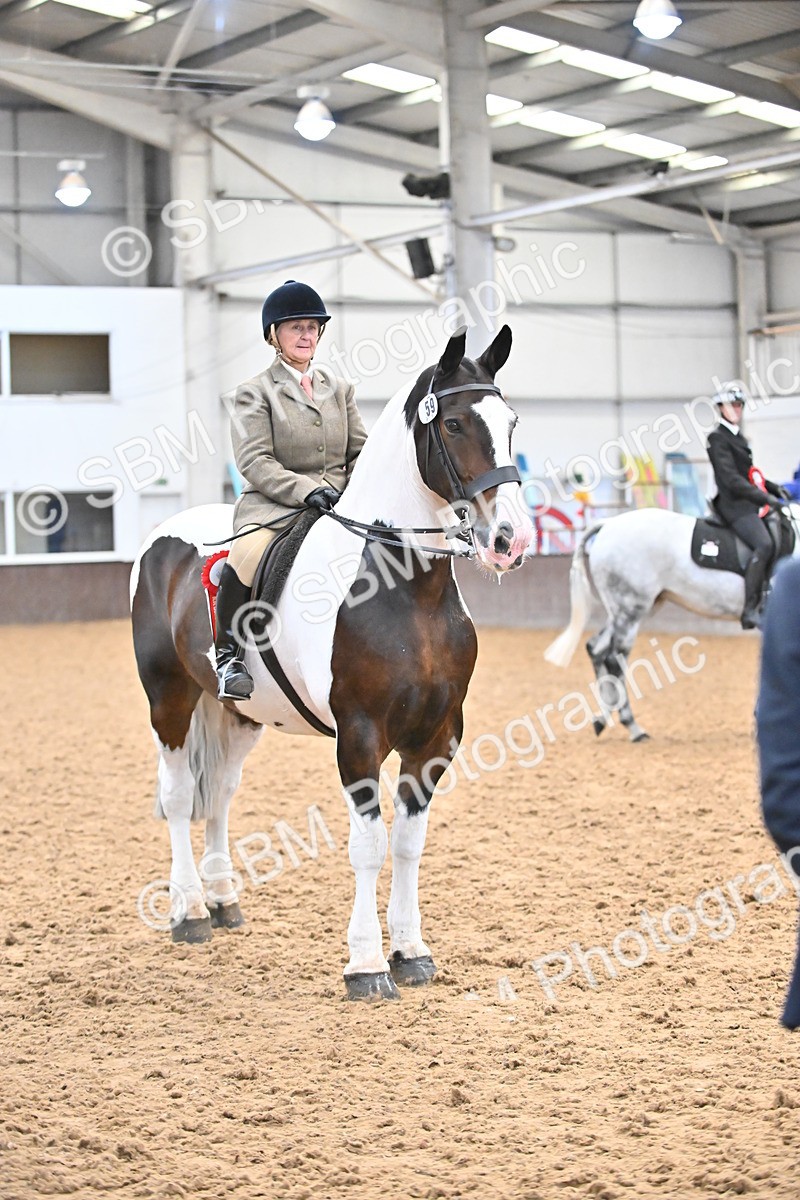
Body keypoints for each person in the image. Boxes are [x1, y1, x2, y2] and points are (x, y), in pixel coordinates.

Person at [214, 279, 367, 701]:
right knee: (246, 555)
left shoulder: (341, 391)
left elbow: (361, 453)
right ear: (273, 336)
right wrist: (306, 491)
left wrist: (339, 488)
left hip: (337, 504)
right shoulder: (253, 393)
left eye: (312, 327)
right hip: (275, 506)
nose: (306, 335)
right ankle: (229, 657)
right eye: (295, 327)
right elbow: (255, 461)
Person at [756, 558, 800, 1029]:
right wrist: (757, 496)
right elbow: (735, 480)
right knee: (759, 539)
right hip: (735, 504)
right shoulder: (796, 585)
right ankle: (754, 598)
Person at [706, 384, 788, 629]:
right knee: (764, 543)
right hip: (733, 505)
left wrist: (773, 488)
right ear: (721, 408)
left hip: (746, 501)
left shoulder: (738, 437)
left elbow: (749, 474)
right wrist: (763, 499)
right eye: (732, 406)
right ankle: (750, 609)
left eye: (739, 405)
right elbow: (731, 479)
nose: (736, 410)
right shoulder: (717, 438)